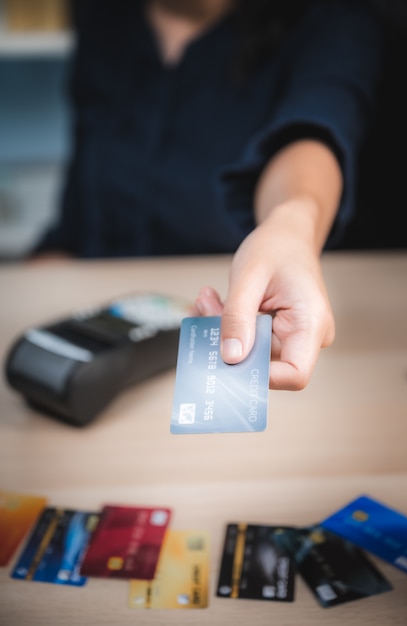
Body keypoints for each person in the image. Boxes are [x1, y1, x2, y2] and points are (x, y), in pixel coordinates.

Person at [29, 0, 385, 391]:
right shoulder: (102, 15)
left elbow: (309, 137)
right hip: (94, 334)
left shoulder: (332, 19)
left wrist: (291, 223)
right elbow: (76, 218)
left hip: (226, 357)